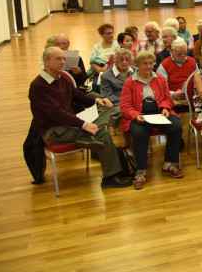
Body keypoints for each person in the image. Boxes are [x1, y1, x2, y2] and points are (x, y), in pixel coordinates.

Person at [30, 46, 131, 189]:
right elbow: (55, 113)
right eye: (58, 59)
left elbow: (77, 95)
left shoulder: (60, 78)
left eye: (64, 59)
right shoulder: (38, 86)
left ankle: (100, 140)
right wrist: (83, 124)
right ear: (46, 61)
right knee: (102, 134)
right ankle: (110, 178)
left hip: (69, 123)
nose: (63, 63)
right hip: (54, 130)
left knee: (110, 108)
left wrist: (96, 101)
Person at [120, 51, 184, 190]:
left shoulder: (159, 78)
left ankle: (168, 164)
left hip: (159, 111)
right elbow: (125, 106)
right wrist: (135, 116)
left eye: (151, 63)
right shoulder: (130, 82)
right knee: (139, 133)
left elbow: (167, 98)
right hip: (139, 114)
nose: (149, 66)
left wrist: (166, 107)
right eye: (145, 64)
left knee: (176, 127)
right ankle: (141, 171)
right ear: (137, 65)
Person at [99, 48, 136, 145]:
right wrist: (127, 102)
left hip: (136, 101)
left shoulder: (136, 71)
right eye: (121, 59)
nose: (124, 62)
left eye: (127, 59)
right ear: (115, 60)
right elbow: (107, 95)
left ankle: (141, 142)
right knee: (126, 114)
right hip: (117, 104)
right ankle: (129, 143)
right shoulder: (106, 75)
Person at [157, 39, 198, 105]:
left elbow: (199, 80)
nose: (182, 55)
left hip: (192, 95)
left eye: (185, 52)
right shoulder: (164, 64)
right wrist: (173, 94)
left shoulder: (192, 62)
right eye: (179, 53)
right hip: (172, 97)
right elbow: (161, 87)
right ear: (172, 51)